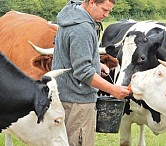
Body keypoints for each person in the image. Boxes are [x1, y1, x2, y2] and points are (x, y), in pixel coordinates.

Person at [51, 0, 131, 146]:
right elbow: (84, 72)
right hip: (77, 101)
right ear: (92, 2)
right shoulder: (82, 28)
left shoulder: (71, 16)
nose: (106, 15)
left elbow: (69, 55)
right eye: (104, 10)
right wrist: (113, 90)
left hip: (64, 93)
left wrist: (96, 64)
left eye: (109, 11)